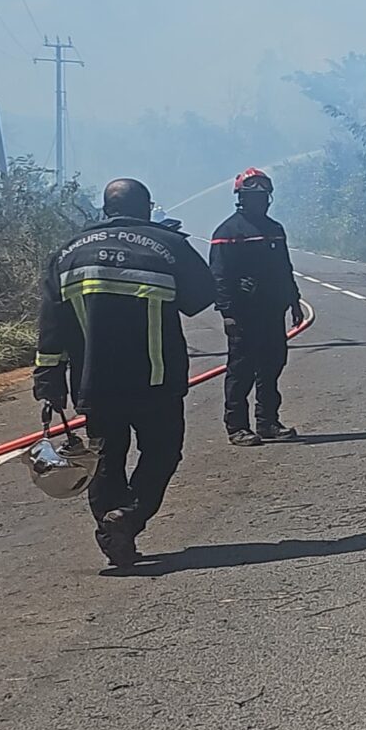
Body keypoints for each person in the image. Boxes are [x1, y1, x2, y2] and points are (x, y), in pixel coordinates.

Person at [32, 178, 219, 568]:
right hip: (156, 379)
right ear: (147, 208)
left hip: (94, 381)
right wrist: (172, 251)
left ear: (104, 210)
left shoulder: (67, 253)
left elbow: (51, 324)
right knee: (162, 452)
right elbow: (201, 297)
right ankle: (129, 518)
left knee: (105, 459)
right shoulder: (168, 246)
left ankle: (111, 528)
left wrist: (48, 380)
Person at [210, 167, 305, 445]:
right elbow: (218, 275)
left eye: (264, 196)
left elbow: (284, 268)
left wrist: (294, 300)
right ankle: (237, 426)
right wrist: (227, 312)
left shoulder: (275, 230)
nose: (260, 201)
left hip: (273, 311)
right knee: (241, 371)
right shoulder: (227, 232)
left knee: (271, 367)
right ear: (241, 198)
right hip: (243, 314)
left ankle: (268, 422)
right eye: (254, 196)